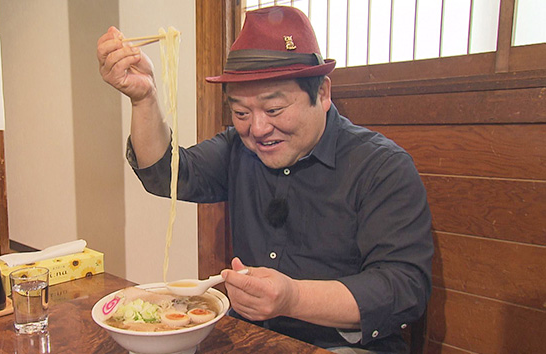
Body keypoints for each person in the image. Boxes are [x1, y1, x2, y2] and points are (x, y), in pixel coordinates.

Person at [97, 6, 433, 353]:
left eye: (274, 110)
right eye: (241, 112)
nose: (257, 129)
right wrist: (144, 97)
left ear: (322, 93)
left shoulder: (380, 166)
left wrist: (293, 298)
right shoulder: (237, 149)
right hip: (253, 339)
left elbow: (404, 288)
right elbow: (165, 174)